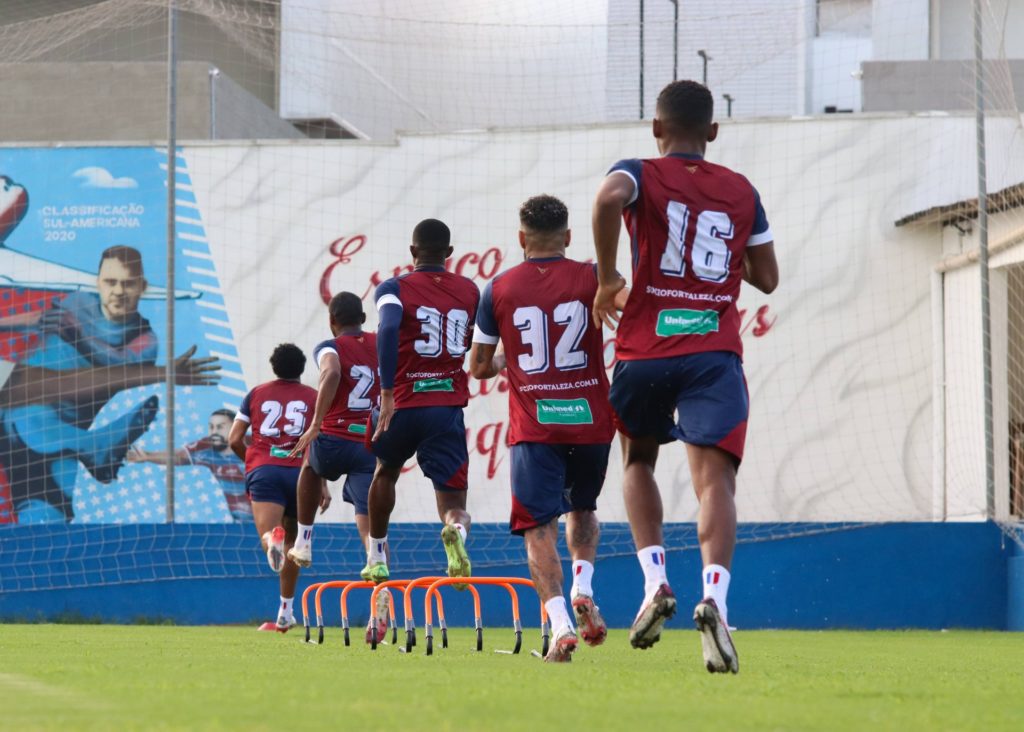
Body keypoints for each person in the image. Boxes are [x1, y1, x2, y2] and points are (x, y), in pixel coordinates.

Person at [591, 80, 779, 674]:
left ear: (656, 129)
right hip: (712, 355)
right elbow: (768, 278)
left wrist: (605, 278)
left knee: (637, 462)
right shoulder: (742, 190)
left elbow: (604, 200)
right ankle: (715, 602)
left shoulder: (639, 172)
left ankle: (654, 584)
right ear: (714, 132)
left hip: (644, 351)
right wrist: (723, 261)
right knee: (713, 482)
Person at [469, 195, 623, 663]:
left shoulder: (498, 289)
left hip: (536, 428)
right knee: (584, 507)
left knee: (539, 529)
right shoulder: (594, 276)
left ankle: (560, 629)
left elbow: (478, 366)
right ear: (569, 237)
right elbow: (631, 309)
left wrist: (504, 360)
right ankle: (583, 587)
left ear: (521, 239)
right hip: (592, 422)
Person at [2, 246, 164, 522]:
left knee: (51, 504)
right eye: (110, 282)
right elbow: (38, 320)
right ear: (99, 282)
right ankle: (94, 446)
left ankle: (92, 447)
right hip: (24, 408)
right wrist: (30, 322)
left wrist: (74, 330)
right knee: (26, 418)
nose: (118, 291)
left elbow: (111, 364)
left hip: (64, 423)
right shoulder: (77, 302)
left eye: (127, 283)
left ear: (142, 287)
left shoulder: (145, 341)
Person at [363, 219, 480, 587]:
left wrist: (385, 391)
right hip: (445, 407)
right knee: (454, 502)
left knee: (385, 470)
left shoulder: (393, 287)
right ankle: (456, 532)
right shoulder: (470, 291)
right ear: (448, 253)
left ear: (412, 251)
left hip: (401, 403)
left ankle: (377, 555)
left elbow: (386, 328)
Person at [287, 291, 389, 642]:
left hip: (335, 437)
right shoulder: (380, 343)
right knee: (371, 521)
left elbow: (331, 374)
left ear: (332, 320)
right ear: (363, 316)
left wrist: (315, 423)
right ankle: (378, 570)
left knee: (310, 469)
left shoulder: (329, 346)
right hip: (369, 443)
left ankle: (303, 541)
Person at [226, 343, 317, 633]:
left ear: (273, 366)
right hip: (303, 474)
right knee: (294, 545)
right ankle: (285, 613)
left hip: (265, 469)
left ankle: (271, 540)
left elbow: (234, 439)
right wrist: (322, 483)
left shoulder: (256, 394)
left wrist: (254, 462)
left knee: (271, 536)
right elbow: (319, 443)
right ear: (302, 369)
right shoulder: (314, 397)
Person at [129, 409, 249, 520]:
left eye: (220, 427)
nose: (214, 432)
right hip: (237, 520)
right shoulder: (205, 448)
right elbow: (178, 456)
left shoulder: (255, 447)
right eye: (211, 427)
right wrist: (148, 456)